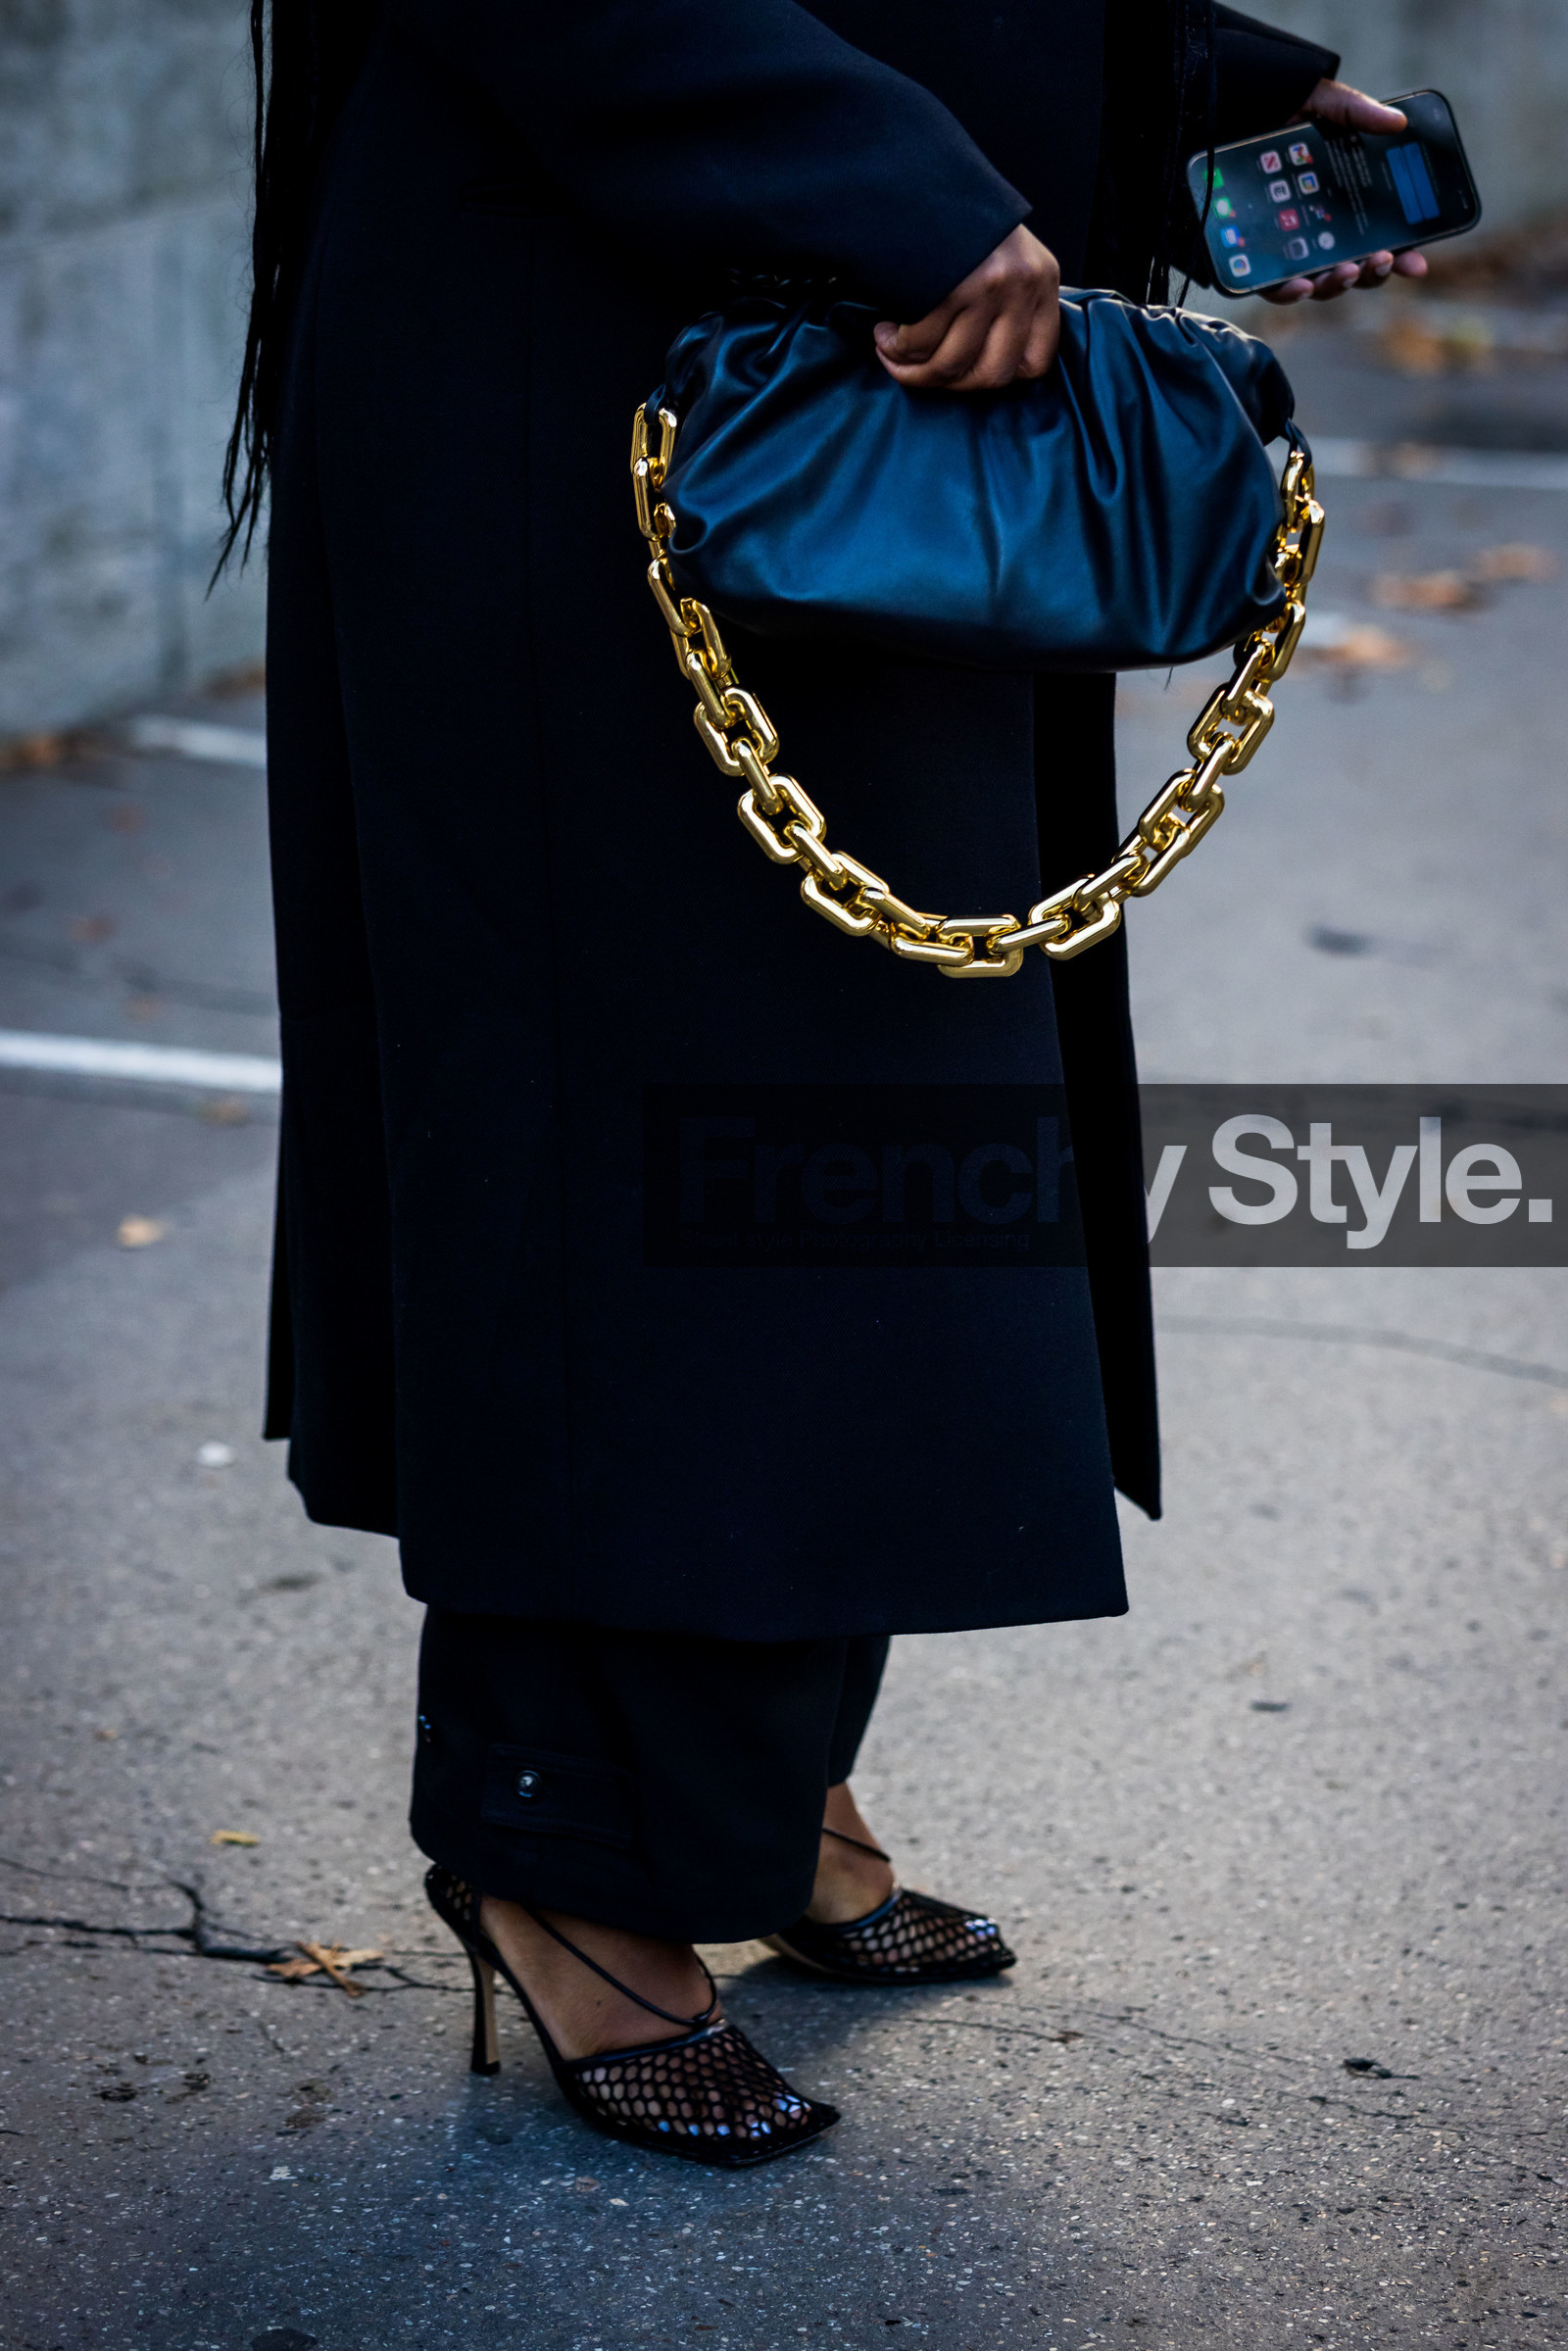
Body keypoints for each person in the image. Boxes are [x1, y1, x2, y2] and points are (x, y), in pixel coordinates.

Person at [225, 0, 1422, 2167]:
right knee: (635, 1138)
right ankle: (566, 1851)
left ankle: (741, 1790)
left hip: (832, 316)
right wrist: (882, 183)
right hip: (609, 358)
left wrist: (1191, 79)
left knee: (842, 1124)